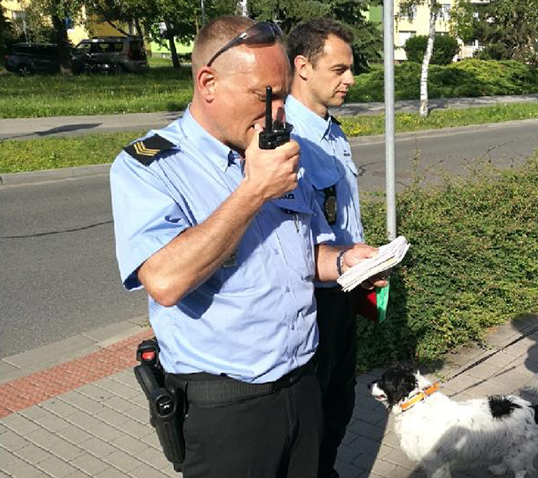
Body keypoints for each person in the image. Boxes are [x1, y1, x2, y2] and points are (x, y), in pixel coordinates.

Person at [109, 15, 382, 478]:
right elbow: (165, 281)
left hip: (303, 382)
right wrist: (253, 191)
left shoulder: (278, 148)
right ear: (208, 83)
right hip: (227, 407)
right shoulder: (152, 166)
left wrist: (343, 261)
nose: (279, 113)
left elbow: (302, 254)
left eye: (282, 94)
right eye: (264, 97)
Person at [285, 18, 361, 478]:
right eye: (338, 69)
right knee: (311, 418)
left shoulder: (330, 129)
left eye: (349, 69)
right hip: (311, 297)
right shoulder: (286, 139)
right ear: (303, 66)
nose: (349, 80)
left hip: (345, 289)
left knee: (339, 406)